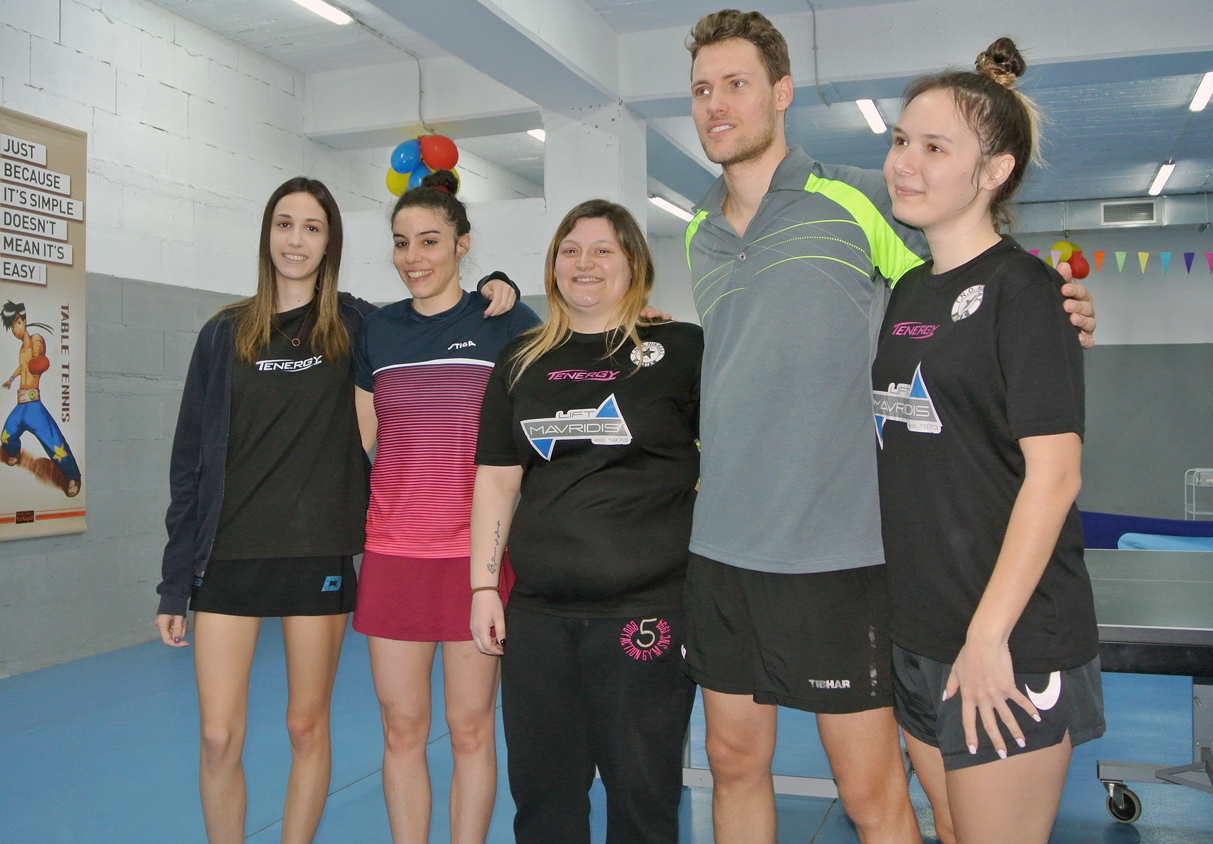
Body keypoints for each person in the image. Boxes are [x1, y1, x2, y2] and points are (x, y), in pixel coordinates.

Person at [678, 11, 1098, 844]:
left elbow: (975, 279)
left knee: (873, 794)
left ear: (781, 92)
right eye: (700, 89)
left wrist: (1064, 306)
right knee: (732, 761)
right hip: (739, 545)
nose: (716, 103)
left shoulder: (861, 197)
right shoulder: (696, 230)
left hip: (843, 551)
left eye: (736, 84)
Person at [873, 39, 1103, 844]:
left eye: (934, 148)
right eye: (900, 140)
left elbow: (1055, 477)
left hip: (1005, 640)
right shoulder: (908, 287)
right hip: (918, 628)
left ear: (993, 170)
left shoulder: (1027, 292)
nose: (904, 162)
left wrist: (986, 636)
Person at [469, 199, 702, 844]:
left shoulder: (681, 349)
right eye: (570, 250)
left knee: (643, 800)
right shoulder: (520, 359)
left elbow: (732, 460)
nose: (584, 262)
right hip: (540, 616)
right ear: (552, 265)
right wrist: (483, 585)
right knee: (542, 799)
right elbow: (497, 478)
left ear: (634, 263)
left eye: (603, 249)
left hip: (646, 610)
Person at [154, 177, 376, 844]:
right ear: (267, 235)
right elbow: (189, 463)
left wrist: (499, 289)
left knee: (306, 727)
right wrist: (174, 579)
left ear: (330, 242)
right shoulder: (223, 333)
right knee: (218, 737)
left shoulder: (359, 327)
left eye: (312, 227)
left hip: (317, 553)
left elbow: (439, 320)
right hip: (228, 553)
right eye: (284, 224)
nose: (296, 240)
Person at [350, 169, 539, 844]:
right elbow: (360, 442)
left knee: (469, 728)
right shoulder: (377, 332)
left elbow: (566, 371)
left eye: (429, 241)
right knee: (401, 730)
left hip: (475, 560)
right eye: (401, 243)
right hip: (393, 555)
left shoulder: (505, 321)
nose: (413, 257)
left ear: (462, 244)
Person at [0, 301, 81, 496]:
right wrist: (11, 378)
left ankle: (73, 475)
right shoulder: (21, 350)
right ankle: (14, 453)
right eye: (12, 326)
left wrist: (39, 360)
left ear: (24, 320)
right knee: (6, 435)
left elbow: (39, 357)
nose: (15, 329)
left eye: (17, 323)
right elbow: (22, 366)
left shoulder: (36, 340)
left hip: (34, 406)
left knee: (55, 444)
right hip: (21, 405)